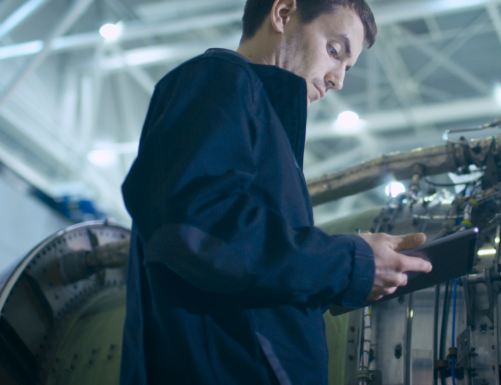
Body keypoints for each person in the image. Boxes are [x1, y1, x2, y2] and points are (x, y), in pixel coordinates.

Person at [119, 0, 432, 384]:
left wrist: (355, 270)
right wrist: (349, 261)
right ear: (283, 13)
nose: (338, 80)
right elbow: (199, 229)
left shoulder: (267, 129)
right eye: (335, 51)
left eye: (347, 68)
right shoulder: (216, 80)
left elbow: (256, 276)